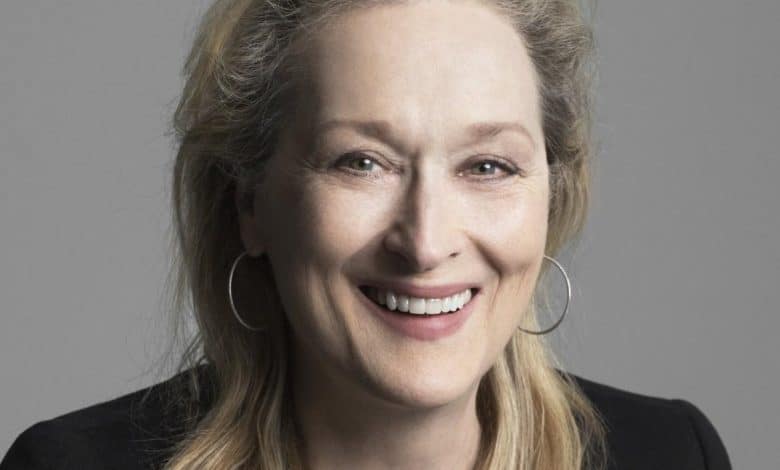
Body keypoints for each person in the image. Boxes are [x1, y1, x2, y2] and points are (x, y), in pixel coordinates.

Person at [1, 0, 732, 469]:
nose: (425, 241)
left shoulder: (669, 455)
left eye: (487, 165)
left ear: (554, 191)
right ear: (249, 202)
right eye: (362, 162)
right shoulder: (65, 466)